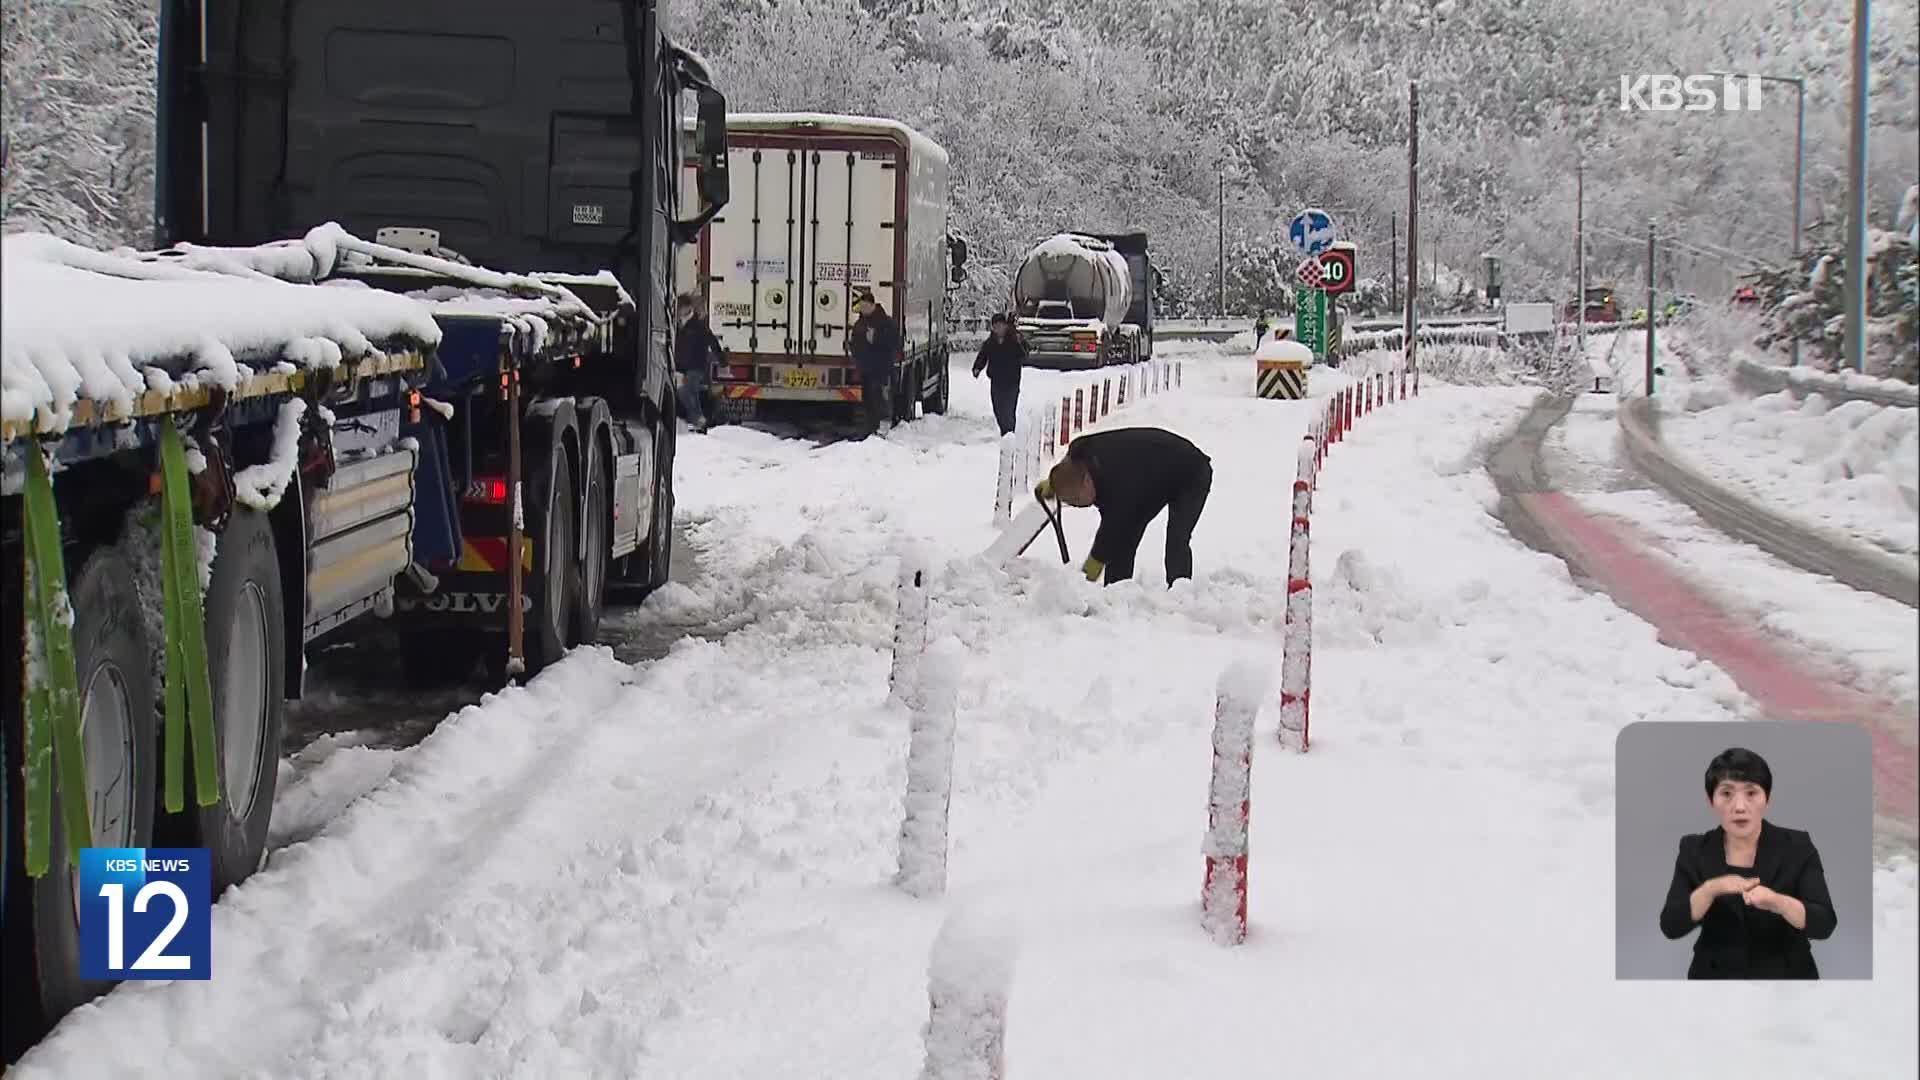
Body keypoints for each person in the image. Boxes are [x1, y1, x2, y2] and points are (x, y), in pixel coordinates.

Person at [1658, 747, 1837, 979]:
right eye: (1726, 794)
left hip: (1787, 983)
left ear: (1767, 799)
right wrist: (1712, 889)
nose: (1739, 806)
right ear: (1711, 800)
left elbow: (1824, 924)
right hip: (1713, 980)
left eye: (1751, 793)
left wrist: (1777, 902)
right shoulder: (1693, 849)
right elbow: (1671, 926)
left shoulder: (1797, 846)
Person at [1033, 426, 1211, 587]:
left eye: (1077, 500)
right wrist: (1053, 484)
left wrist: (1088, 575)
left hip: (1191, 472)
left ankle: (1180, 593)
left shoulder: (1119, 490)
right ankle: (1117, 592)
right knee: (1124, 539)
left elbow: (1107, 536)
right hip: (1151, 476)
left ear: (1087, 481)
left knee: (1176, 539)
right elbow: (1068, 465)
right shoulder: (1079, 450)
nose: (1077, 506)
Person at [850, 290, 900, 435]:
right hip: (865, 368)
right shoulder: (860, 324)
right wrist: (857, 356)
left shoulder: (886, 322)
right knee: (868, 399)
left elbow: (894, 342)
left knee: (881, 397)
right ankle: (870, 428)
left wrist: (876, 339)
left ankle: (883, 426)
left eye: (865, 306)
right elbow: (855, 343)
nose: (863, 310)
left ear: (872, 305)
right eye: (861, 307)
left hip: (882, 368)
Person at [673, 293, 722, 433]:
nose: (679, 310)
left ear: (688, 307)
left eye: (681, 307)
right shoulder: (678, 324)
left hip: (696, 365)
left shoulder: (698, 325)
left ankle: (699, 420)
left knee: (689, 391)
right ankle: (696, 420)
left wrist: (722, 360)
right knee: (685, 393)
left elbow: (712, 341)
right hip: (682, 366)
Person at [971, 313, 1027, 435]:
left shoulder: (1014, 339)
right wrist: (977, 368)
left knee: (1009, 409)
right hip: (996, 381)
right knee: (998, 410)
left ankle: (1009, 433)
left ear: (1006, 326)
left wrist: (1020, 343)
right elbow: (983, 356)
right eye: (995, 326)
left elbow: (1024, 353)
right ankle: (1005, 431)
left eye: (1000, 326)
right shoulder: (990, 343)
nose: (998, 329)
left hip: (1012, 381)